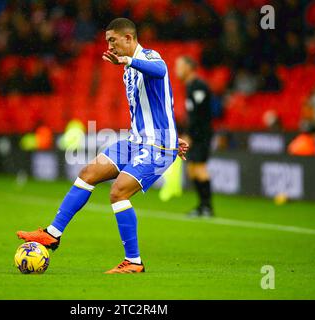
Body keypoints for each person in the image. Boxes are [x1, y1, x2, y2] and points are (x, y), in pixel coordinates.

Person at [17, 18, 189, 274]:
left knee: (118, 193)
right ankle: (53, 234)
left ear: (129, 39)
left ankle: (133, 262)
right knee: (88, 174)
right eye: (107, 41)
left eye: (113, 40)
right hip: (136, 141)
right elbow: (161, 103)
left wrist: (170, 139)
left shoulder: (149, 57)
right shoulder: (128, 69)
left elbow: (161, 71)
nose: (110, 46)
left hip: (157, 146)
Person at [175, 56, 214, 218]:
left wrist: (190, 135)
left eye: (179, 66)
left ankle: (207, 208)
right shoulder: (189, 86)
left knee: (200, 168)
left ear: (189, 68)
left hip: (201, 135)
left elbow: (199, 115)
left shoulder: (199, 86)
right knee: (192, 170)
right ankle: (202, 206)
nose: (177, 69)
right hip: (195, 134)